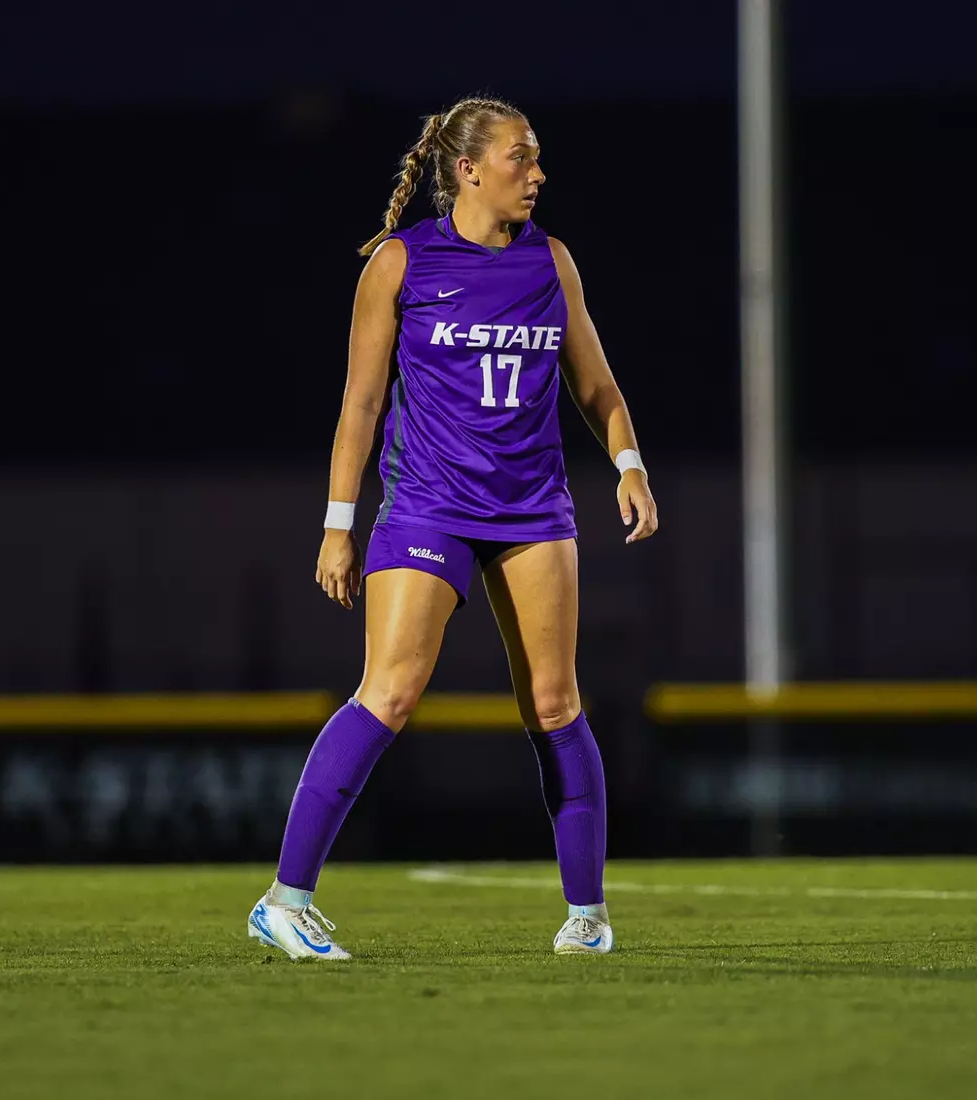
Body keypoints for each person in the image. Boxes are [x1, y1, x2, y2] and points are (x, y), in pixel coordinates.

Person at [247, 95, 658, 960]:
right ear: (469, 169)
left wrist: (629, 465)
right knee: (389, 693)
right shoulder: (399, 264)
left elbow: (600, 391)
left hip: (533, 509)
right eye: (522, 157)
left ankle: (587, 919)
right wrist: (337, 526)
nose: (538, 174)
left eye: (538, 158)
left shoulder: (552, 262)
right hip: (428, 504)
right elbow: (360, 404)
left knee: (555, 704)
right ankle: (284, 900)